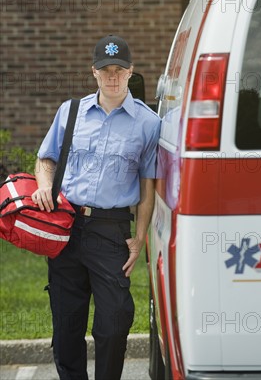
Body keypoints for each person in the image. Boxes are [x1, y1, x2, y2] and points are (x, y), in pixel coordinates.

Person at [31, 35, 161, 380]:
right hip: (67, 227)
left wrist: (141, 236)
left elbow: (148, 188)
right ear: (94, 72)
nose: (113, 77)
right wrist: (45, 185)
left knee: (115, 322)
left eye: (120, 70)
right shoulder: (70, 112)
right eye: (106, 70)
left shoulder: (148, 123)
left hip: (110, 231)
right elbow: (45, 159)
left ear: (131, 72)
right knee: (67, 327)